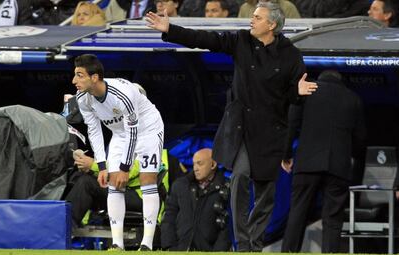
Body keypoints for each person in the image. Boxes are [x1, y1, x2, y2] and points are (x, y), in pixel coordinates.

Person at [146, 1, 317, 251]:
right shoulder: (241, 41)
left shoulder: (290, 54)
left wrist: (297, 92)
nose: (252, 20)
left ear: (271, 25)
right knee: (239, 177)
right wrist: (171, 29)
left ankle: (255, 242)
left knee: (265, 194)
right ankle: (243, 242)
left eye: (257, 18)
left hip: (272, 133)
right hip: (242, 130)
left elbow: (294, 101)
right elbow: (205, 39)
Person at [72, 54, 164, 251]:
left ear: (94, 77)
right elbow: (94, 130)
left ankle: (146, 244)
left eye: (79, 75)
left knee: (148, 180)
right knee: (113, 184)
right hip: (120, 133)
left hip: (148, 129)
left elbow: (134, 132)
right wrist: (102, 165)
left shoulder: (123, 94)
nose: (74, 81)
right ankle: (117, 244)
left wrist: (124, 168)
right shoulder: (82, 99)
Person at [281, 70, 366, 253]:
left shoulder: (308, 89)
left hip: (307, 163)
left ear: (320, 79)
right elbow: (360, 141)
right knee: (333, 220)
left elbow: (291, 124)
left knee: (298, 212)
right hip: (338, 167)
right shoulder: (353, 99)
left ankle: (288, 252)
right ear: (341, 81)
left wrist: (286, 154)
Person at [161, 148, 231, 251]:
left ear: (213, 164)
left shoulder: (227, 188)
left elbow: (229, 226)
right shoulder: (180, 185)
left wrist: (218, 252)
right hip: (179, 250)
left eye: (200, 163)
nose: (195, 168)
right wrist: (170, 247)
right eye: (194, 164)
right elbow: (169, 217)